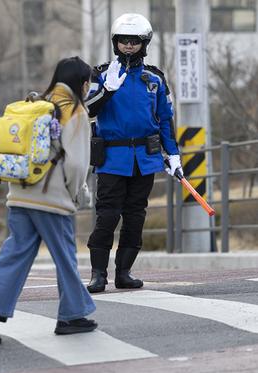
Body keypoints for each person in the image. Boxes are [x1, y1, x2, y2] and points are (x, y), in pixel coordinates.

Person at [0, 57, 97, 344]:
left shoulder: (35, 104)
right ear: (82, 83)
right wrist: (77, 195)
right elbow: (76, 166)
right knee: (65, 257)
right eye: (88, 83)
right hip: (52, 200)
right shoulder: (75, 111)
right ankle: (72, 315)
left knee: (14, 254)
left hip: (19, 194)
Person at [84, 13, 181, 293]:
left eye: (134, 41)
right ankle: (98, 274)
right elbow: (88, 110)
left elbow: (165, 119)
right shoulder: (101, 75)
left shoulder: (155, 79)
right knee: (107, 215)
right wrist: (107, 91)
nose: (128, 46)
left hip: (146, 158)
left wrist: (173, 155)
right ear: (115, 43)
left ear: (144, 43)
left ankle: (124, 272)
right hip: (112, 158)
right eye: (123, 41)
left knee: (136, 215)